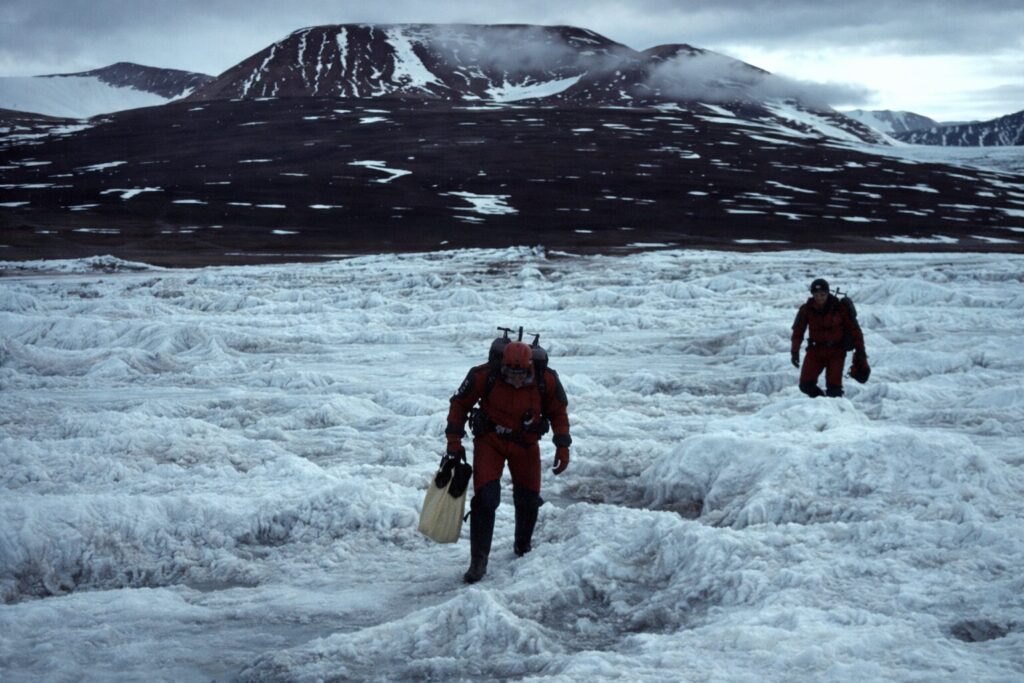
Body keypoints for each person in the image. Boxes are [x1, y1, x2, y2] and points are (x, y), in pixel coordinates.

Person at [445, 340, 572, 584]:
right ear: (502, 366)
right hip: (490, 441)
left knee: (528, 498)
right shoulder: (484, 375)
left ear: (530, 368)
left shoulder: (546, 380)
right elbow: (459, 404)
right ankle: (478, 562)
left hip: (525, 444)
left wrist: (563, 445)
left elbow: (558, 411)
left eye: (521, 374)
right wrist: (454, 442)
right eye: (509, 373)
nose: (515, 379)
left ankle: (523, 547)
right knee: (486, 499)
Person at [791, 278, 866, 398]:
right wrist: (794, 351)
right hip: (815, 352)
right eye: (816, 295)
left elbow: (855, 330)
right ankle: (822, 403)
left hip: (836, 352)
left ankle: (833, 412)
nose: (820, 298)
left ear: (827, 293)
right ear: (812, 294)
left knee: (834, 389)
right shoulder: (806, 309)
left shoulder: (840, 307)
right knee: (805, 385)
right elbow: (798, 331)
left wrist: (861, 351)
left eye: (823, 294)